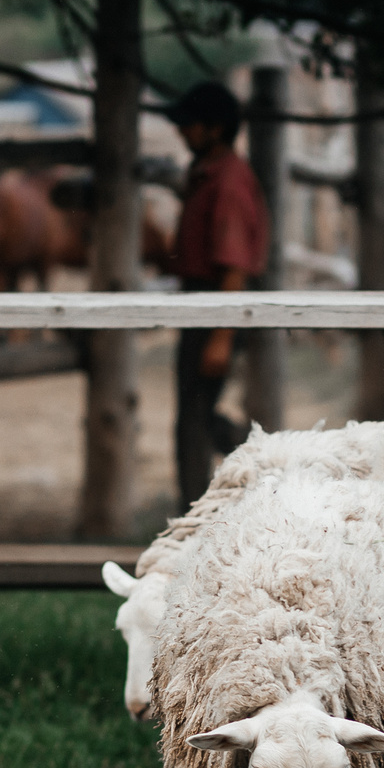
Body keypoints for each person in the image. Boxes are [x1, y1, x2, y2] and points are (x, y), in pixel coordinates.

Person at [162, 81, 268, 508]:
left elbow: (235, 265)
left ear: (215, 129)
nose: (182, 132)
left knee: (194, 419)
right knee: (196, 414)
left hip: (217, 305)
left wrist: (222, 336)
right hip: (203, 303)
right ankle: (261, 472)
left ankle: (265, 468)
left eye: (190, 124)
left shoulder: (228, 183)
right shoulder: (206, 174)